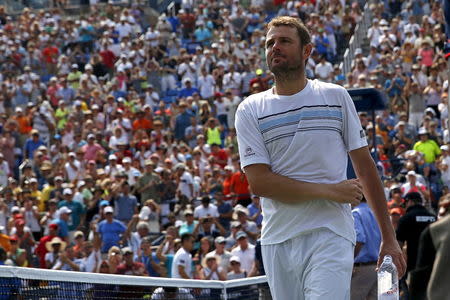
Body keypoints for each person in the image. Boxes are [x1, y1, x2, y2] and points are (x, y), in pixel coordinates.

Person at [235, 16, 405, 299]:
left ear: (307, 51)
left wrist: (389, 238)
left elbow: (365, 168)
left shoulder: (336, 96)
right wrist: (331, 191)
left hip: (331, 234)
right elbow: (260, 183)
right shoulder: (249, 109)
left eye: (285, 41)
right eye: (270, 43)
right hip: (277, 240)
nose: (275, 47)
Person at [350, 197, 381, 300]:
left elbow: (360, 239)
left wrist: (350, 262)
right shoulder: (376, 213)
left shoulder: (355, 213)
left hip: (361, 268)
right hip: (376, 267)